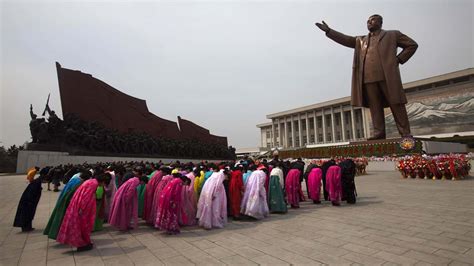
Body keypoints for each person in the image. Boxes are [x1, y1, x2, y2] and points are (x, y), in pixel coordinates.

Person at [315, 15, 418, 139]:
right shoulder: (361, 40)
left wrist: (398, 59)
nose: (369, 22)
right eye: (367, 21)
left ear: (380, 22)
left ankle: (405, 133)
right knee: (375, 107)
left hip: (387, 76)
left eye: (372, 20)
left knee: (396, 104)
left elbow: (412, 45)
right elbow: (346, 40)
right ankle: (378, 133)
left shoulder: (392, 35)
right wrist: (329, 31)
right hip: (368, 78)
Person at [56, 175, 106, 252]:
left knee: (81, 226)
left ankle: (85, 243)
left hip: (77, 204)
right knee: (83, 226)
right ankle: (82, 245)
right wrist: (82, 209)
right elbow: (86, 197)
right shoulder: (94, 184)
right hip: (82, 209)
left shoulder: (91, 181)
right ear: (102, 182)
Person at [44, 170, 91, 239]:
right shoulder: (79, 183)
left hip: (63, 198)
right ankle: (62, 234)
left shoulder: (75, 179)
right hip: (68, 201)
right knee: (64, 218)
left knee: (59, 217)